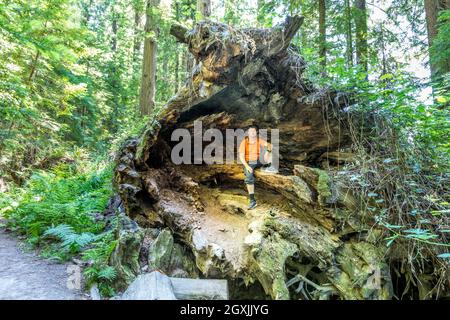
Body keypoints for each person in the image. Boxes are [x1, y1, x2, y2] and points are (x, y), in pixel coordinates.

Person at [238, 124, 273, 210]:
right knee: (249, 177)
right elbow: (241, 157)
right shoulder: (244, 142)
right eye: (250, 131)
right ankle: (253, 201)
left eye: (254, 131)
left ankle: (268, 165)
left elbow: (270, 145)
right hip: (249, 162)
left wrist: (268, 149)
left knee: (269, 150)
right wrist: (247, 166)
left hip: (258, 160)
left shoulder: (258, 140)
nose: (252, 133)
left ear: (256, 132)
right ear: (248, 133)